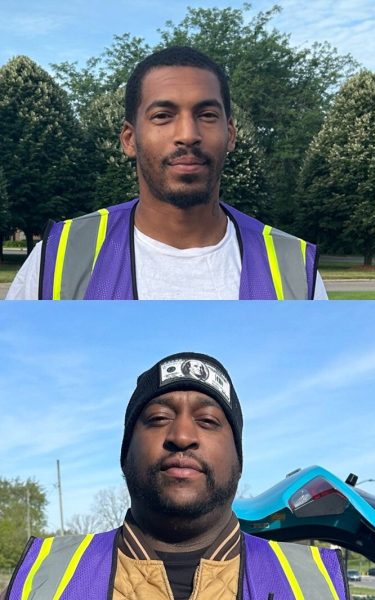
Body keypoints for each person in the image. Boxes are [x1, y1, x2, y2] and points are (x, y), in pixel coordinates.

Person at [2, 352, 348, 599]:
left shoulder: (317, 583)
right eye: (157, 418)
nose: (182, 436)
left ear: (239, 461)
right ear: (125, 455)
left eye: (208, 420)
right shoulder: (41, 577)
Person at [7, 47, 326, 300]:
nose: (188, 134)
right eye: (163, 115)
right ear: (130, 139)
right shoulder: (58, 255)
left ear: (230, 134)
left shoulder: (294, 267)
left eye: (207, 114)